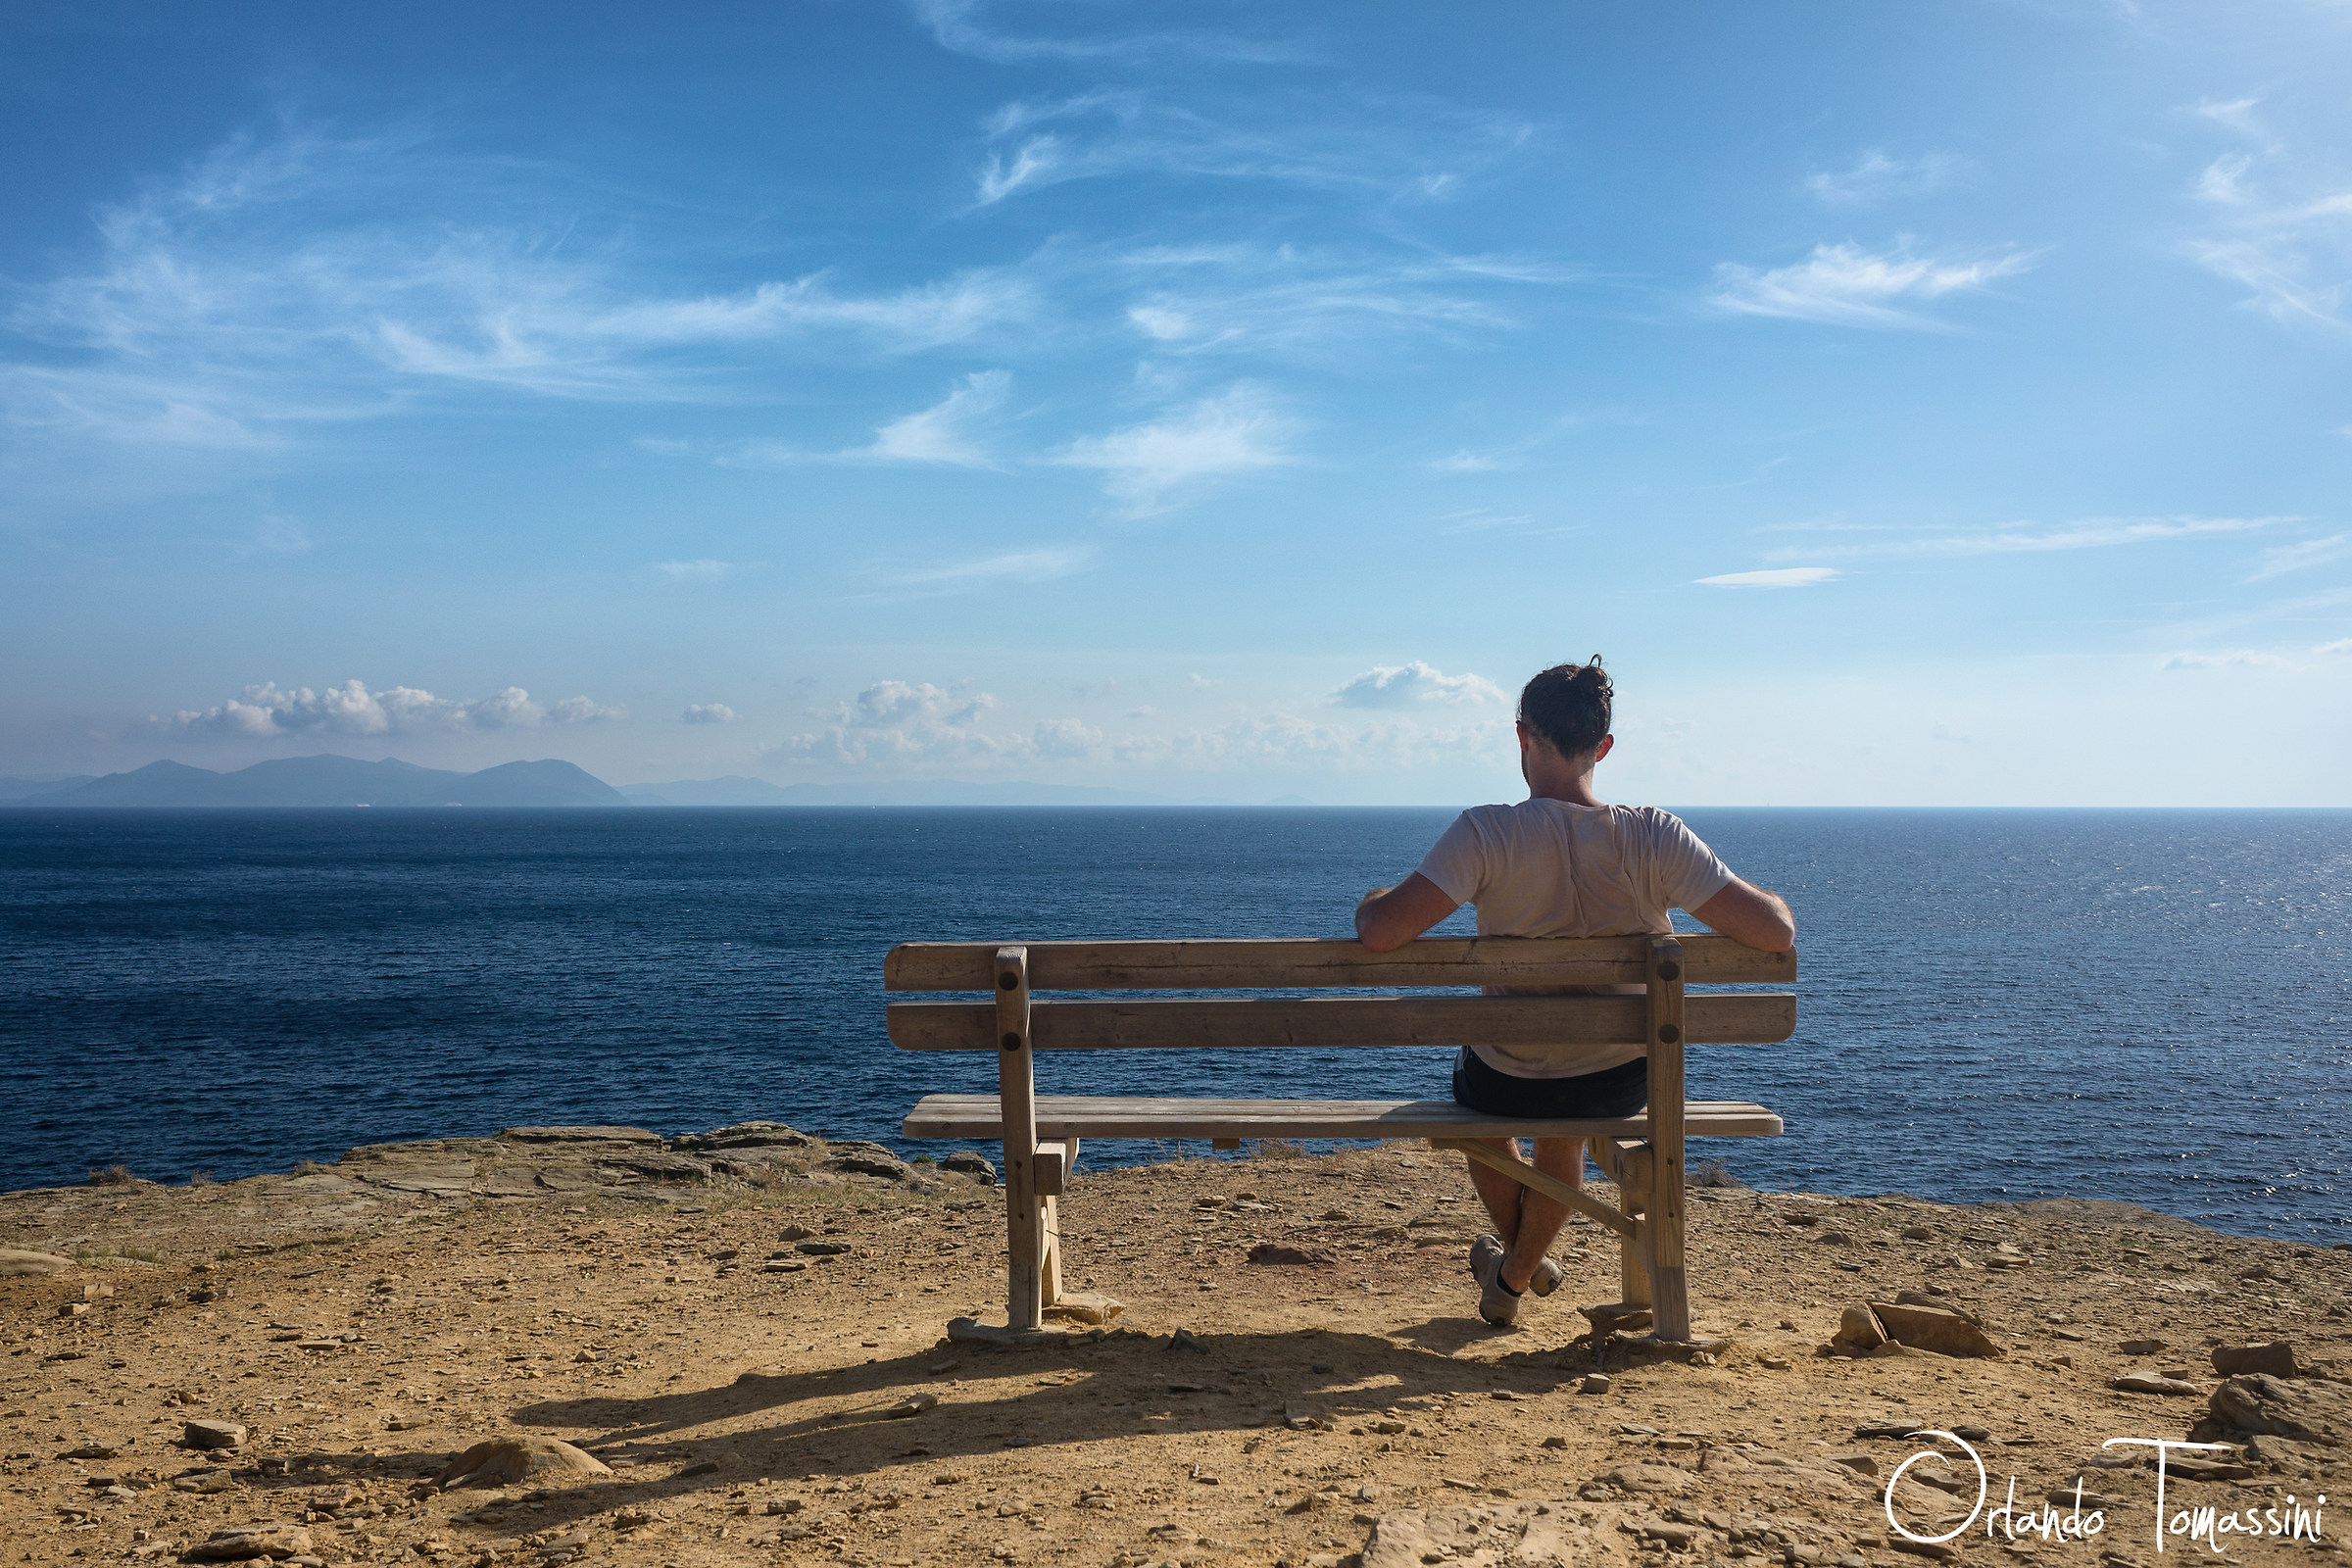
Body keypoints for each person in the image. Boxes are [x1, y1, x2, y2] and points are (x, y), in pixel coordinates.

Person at [1352, 659, 1794, 1327]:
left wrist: (1373, 900)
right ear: (1604, 746)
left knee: (1482, 1108)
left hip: (1504, 1079)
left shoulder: (1485, 834)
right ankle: (1515, 1274)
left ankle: (1516, 1269)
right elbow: (1773, 931)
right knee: (1567, 1122)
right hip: (1616, 1082)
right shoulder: (1655, 836)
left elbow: (1383, 932)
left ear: (1522, 736)